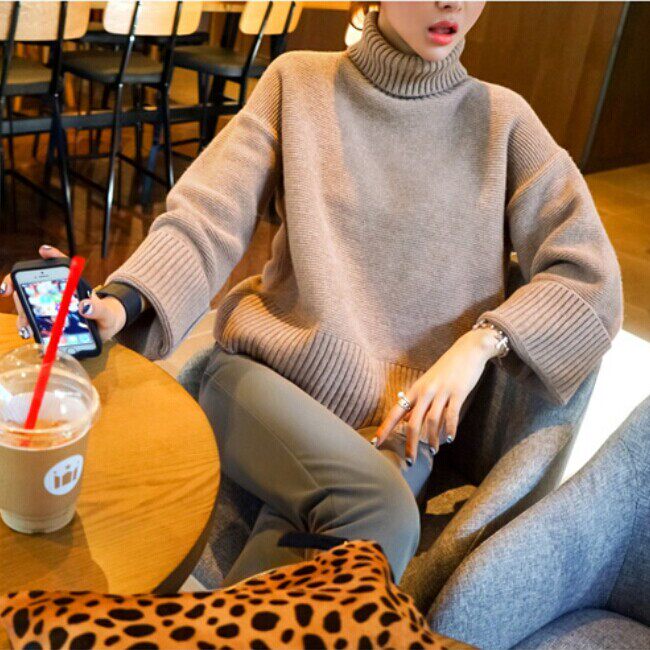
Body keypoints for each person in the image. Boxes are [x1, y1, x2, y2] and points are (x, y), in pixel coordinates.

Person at [0, 2, 622, 584]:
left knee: (319, 553)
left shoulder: (505, 123)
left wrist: (483, 342)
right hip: (262, 385)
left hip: (397, 424)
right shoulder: (297, 83)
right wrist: (123, 301)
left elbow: (592, 277)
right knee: (383, 514)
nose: (452, 2)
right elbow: (209, 216)